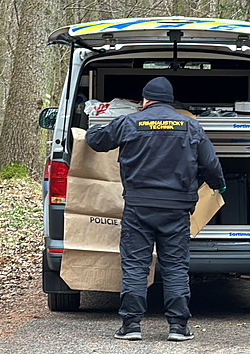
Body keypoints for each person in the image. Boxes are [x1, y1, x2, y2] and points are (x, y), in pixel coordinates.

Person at [85, 77, 225, 342]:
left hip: (139, 207)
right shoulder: (191, 126)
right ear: (170, 101)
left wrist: (92, 131)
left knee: (136, 265)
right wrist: (219, 185)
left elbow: (97, 140)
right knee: (174, 266)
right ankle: (177, 327)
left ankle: (132, 325)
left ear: (145, 100)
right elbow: (210, 164)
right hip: (176, 210)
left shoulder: (130, 122)